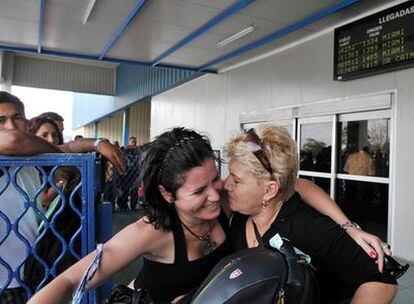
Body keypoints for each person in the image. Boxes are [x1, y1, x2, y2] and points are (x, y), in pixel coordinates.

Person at [28, 127, 389, 304]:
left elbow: (293, 185)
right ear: (168, 195)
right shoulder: (153, 231)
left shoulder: (232, 206)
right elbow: (70, 281)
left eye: (218, 179)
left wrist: (347, 225)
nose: (217, 194)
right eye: (199, 192)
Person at [224, 124, 398, 303]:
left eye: (236, 180)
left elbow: (382, 282)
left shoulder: (309, 227)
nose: (225, 185)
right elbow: (298, 183)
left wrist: (347, 226)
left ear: (269, 190)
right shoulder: (239, 217)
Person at [0, 91, 125, 303]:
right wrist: (63, 161)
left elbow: (66, 147)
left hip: (35, 274)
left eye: (17, 118)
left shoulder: (29, 159)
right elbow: (13, 139)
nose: (11, 126)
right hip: (4, 283)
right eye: (1, 120)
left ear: (28, 123)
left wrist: (97, 143)